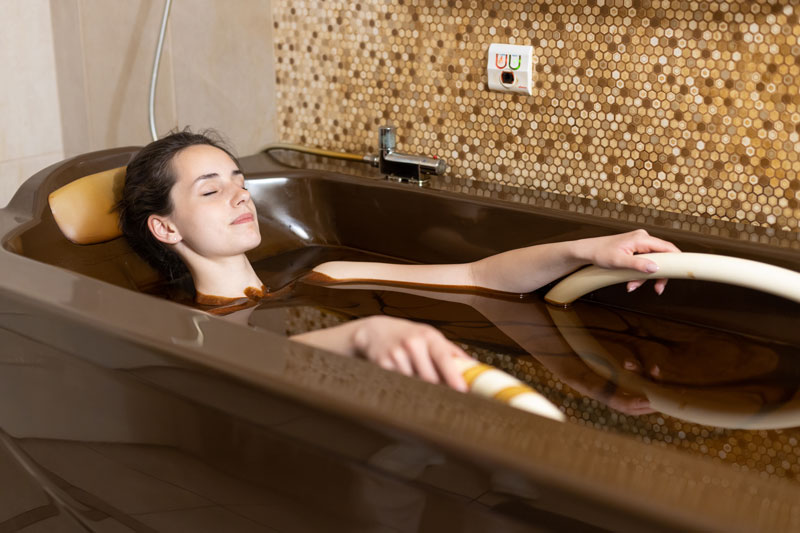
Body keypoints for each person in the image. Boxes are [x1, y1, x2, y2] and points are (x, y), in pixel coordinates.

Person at [117, 129, 680, 393]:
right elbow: (255, 364)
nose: (240, 196)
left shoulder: (323, 277)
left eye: (240, 182)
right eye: (211, 190)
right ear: (166, 227)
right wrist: (363, 336)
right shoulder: (194, 332)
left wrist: (586, 249)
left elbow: (477, 275)